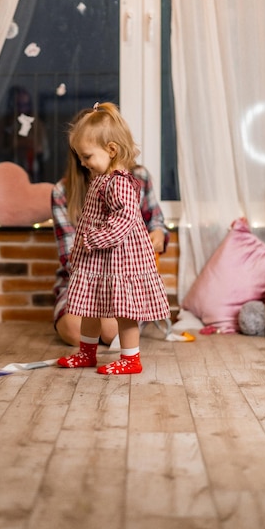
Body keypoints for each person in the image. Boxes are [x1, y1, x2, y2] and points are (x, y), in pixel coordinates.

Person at [56, 102, 170, 375]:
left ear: (111, 150)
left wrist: (93, 238)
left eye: (86, 156)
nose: (82, 163)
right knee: (89, 307)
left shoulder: (119, 182)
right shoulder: (100, 177)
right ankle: (87, 353)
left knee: (124, 312)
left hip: (120, 262)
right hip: (99, 263)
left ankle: (131, 359)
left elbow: (125, 220)